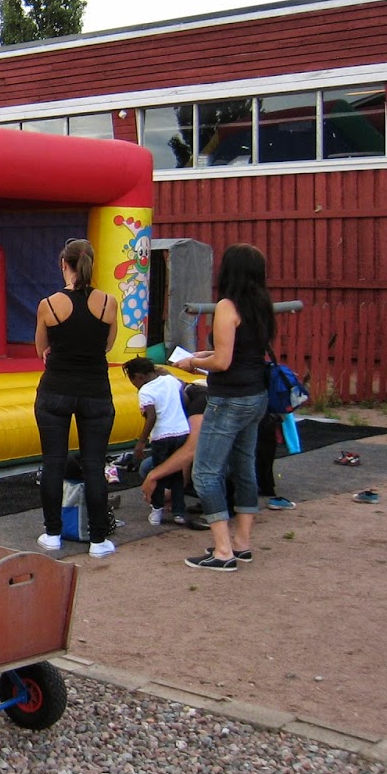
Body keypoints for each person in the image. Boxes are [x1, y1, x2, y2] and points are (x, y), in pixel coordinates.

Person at [172, 243, 276, 572]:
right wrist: (205, 356)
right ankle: (242, 543)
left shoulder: (226, 306)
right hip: (255, 395)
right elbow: (241, 352)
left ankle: (222, 551)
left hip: (229, 398)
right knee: (244, 468)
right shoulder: (262, 305)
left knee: (205, 473)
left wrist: (192, 362)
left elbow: (223, 361)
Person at [34, 238, 119, 557]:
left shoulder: (49, 304)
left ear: (63, 264)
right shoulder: (109, 302)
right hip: (95, 390)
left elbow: (40, 347)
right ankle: (98, 540)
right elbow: (107, 345)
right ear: (91, 264)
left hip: (56, 388)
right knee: (94, 465)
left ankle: (52, 534)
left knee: (53, 462)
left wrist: (57, 348)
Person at [122, 357, 192, 526]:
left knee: (160, 473)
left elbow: (151, 417)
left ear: (138, 376)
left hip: (162, 435)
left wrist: (141, 442)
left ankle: (157, 509)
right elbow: (185, 398)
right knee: (176, 473)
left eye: (133, 381)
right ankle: (179, 511)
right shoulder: (170, 380)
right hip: (181, 431)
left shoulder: (145, 391)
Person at [140, 379, 211, 529]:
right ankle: (178, 510)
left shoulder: (199, 401)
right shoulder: (174, 397)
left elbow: (189, 452)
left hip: (208, 456)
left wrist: (154, 476)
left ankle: (215, 507)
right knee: (162, 470)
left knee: (162, 471)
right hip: (180, 443)